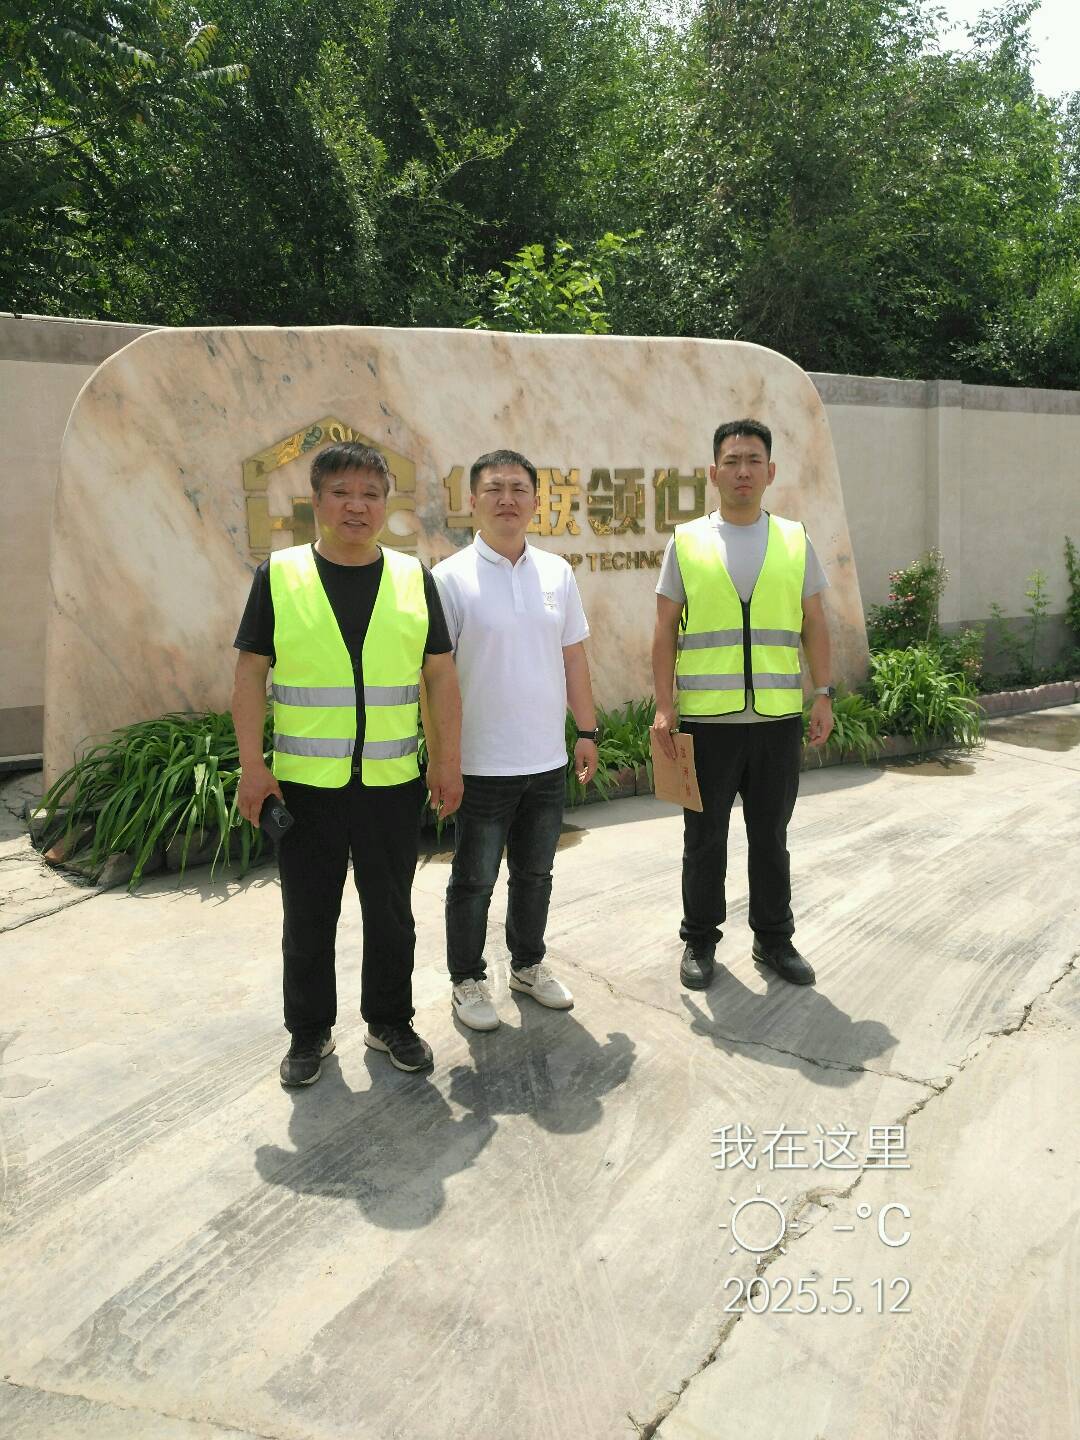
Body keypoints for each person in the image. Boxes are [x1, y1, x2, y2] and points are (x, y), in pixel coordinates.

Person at [232, 441, 463, 1084]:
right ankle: (309, 1033)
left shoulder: (413, 578)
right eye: (341, 493)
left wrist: (447, 760)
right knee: (308, 917)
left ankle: (390, 1021)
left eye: (369, 494)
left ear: (386, 504)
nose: (356, 506)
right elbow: (249, 674)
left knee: (391, 913)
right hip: (307, 786)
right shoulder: (280, 576)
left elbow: (440, 676)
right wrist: (253, 765)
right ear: (316, 501)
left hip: (392, 782)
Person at [651, 418, 834, 991]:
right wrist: (664, 705)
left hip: (777, 720)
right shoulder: (686, 542)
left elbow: (814, 623)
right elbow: (664, 629)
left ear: (770, 471)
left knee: (770, 835)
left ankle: (774, 938)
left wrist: (823, 694)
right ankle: (700, 939)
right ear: (714, 472)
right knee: (704, 838)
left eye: (753, 460)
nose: (742, 471)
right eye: (731, 461)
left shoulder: (794, 540)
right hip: (708, 722)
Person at [432, 449, 599, 1031]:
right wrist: (444, 757)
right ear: (473, 500)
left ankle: (527, 965)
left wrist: (587, 730)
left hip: (545, 760)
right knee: (474, 879)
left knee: (535, 874)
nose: (507, 499)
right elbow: (436, 677)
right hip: (481, 764)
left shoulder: (557, 573)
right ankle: (467, 979)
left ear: (534, 500)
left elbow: (573, 657)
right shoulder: (449, 578)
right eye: (494, 488)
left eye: (518, 489)